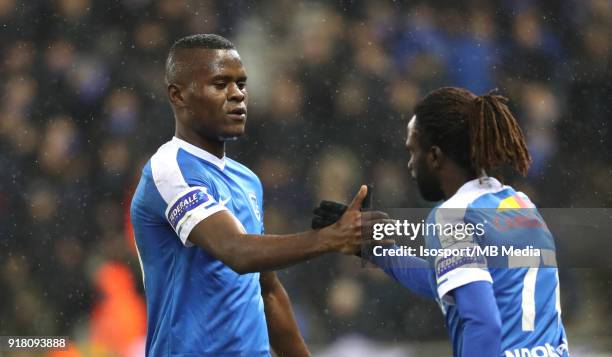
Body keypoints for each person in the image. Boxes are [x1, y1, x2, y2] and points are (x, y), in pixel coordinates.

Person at [130, 34, 382, 357]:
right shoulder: (169, 169)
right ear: (178, 95)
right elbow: (236, 252)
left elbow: (268, 293)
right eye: (220, 84)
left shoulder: (247, 180)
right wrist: (329, 238)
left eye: (241, 84)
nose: (237, 95)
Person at [313, 87, 569, 357]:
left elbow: (483, 322)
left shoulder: (453, 216)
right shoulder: (520, 205)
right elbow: (451, 285)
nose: (410, 165)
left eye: (413, 152)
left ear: (434, 156)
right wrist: (376, 249)